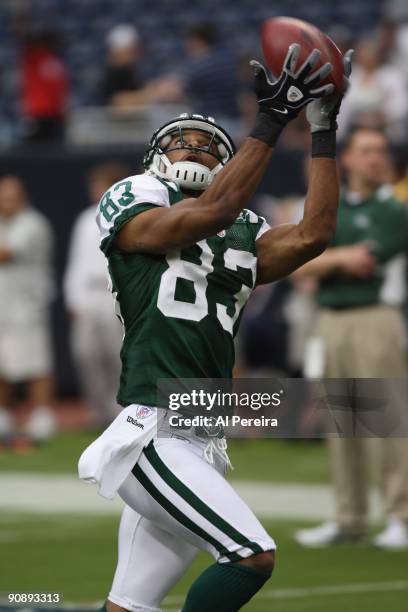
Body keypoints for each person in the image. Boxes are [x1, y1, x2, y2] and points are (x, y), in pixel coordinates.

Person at [79, 45, 352, 612]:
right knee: (251, 554)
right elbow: (208, 214)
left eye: (210, 145)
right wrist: (272, 121)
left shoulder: (242, 227)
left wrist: (322, 130)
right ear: (155, 153)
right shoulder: (136, 196)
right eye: (183, 140)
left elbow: (314, 235)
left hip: (201, 424)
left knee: (128, 605)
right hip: (153, 428)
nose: (196, 147)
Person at [293, 126, 408, 550]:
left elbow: (364, 259)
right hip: (331, 319)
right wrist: (330, 260)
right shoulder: (332, 208)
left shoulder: (394, 210)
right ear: (350, 160)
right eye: (366, 151)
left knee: (386, 420)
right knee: (340, 421)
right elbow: (299, 263)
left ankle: (401, 515)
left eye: (380, 151)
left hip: (376, 317)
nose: (375, 159)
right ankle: (349, 516)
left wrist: (327, 259)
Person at [64, 163, 130, 428]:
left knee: (117, 355)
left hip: (115, 295)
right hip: (88, 296)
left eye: (101, 185)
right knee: (85, 354)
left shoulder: (127, 217)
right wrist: (73, 299)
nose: (95, 190)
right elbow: (76, 262)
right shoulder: (84, 219)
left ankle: (120, 411)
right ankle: (97, 410)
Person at [0, 175, 56, 448]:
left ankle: (42, 416)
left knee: (36, 364)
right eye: (3, 195)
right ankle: (3, 416)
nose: (6, 200)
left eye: (11, 195)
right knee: (3, 365)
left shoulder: (33, 224)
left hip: (27, 307)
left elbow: (7, 253)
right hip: (3, 306)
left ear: (23, 197)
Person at [100, 25, 145, 107]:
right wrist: (152, 94)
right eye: (129, 51)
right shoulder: (112, 73)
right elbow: (118, 103)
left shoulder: (130, 71)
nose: (133, 54)